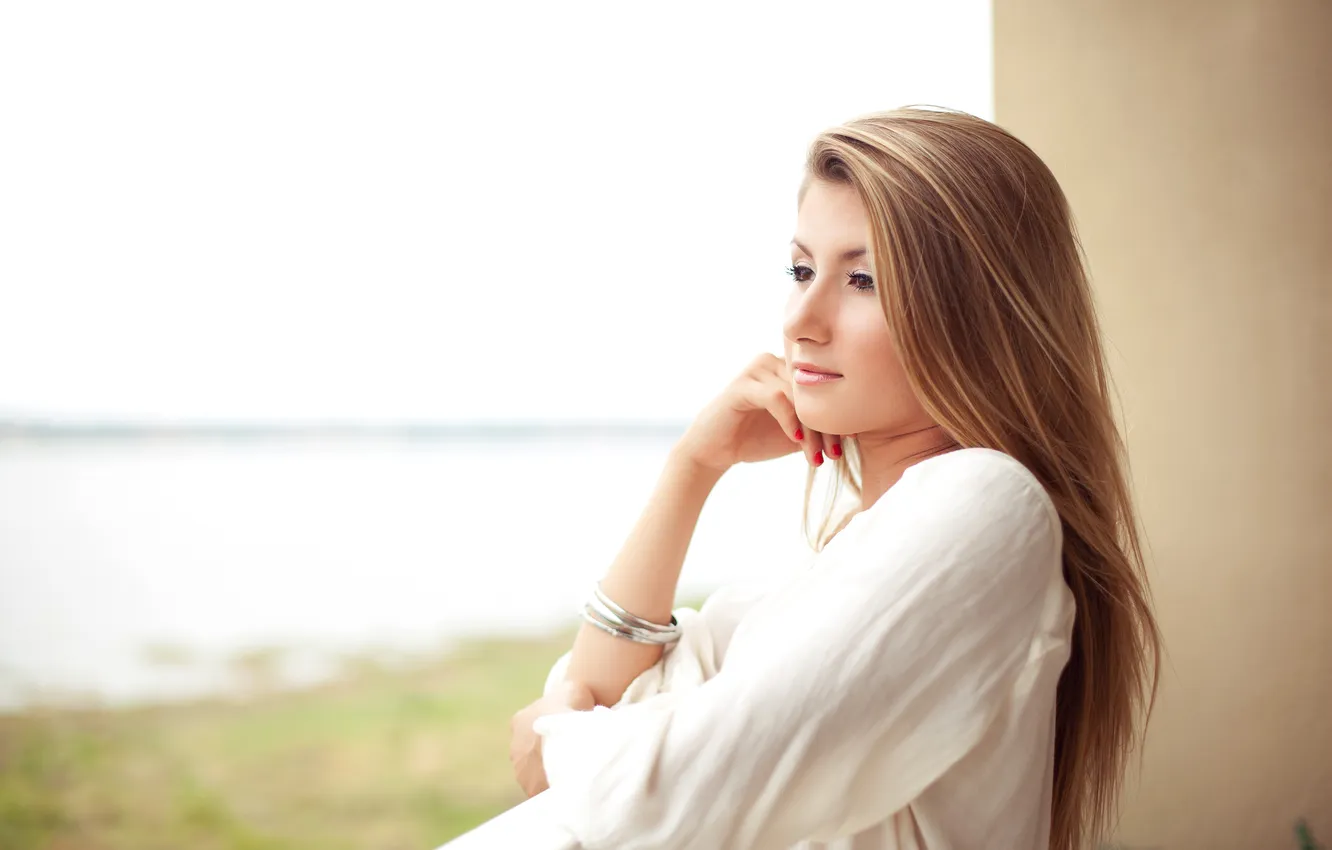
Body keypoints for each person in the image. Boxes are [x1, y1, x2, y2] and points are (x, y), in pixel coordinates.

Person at [507, 105, 1163, 850]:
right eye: (801, 270)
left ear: (977, 314)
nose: (802, 320)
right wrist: (693, 468)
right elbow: (609, 690)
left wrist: (556, 739)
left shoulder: (988, 503)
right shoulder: (832, 578)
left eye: (862, 280)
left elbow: (666, 797)